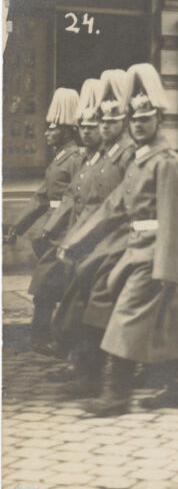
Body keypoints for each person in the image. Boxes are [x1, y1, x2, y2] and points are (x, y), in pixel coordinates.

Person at [59, 63, 178, 416]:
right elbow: (111, 208)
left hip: (155, 255)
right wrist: (75, 242)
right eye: (133, 118)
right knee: (162, 318)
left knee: (126, 317)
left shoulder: (166, 162)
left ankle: (116, 395)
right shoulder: (140, 161)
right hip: (135, 251)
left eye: (145, 118)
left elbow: (176, 220)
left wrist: (169, 269)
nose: (137, 124)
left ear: (159, 118)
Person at [49, 71, 137, 396]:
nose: (100, 127)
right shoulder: (101, 156)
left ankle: (99, 377)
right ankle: (85, 370)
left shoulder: (128, 154)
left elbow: (123, 205)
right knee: (87, 308)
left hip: (119, 245)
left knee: (102, 310)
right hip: (96, 246)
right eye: (98, 120)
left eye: (108, 120)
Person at [5, 88, 84, 354]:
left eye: (53, 128)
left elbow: (75, 198)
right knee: (50, 287)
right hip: (51, 229)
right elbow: (41, 197)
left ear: (66, 130)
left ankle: (49, 338)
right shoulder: (59, 158)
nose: (47, 133)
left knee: (48, 285)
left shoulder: (76, 158)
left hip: (64, 230)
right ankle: (49, 337)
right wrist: (17, 225)